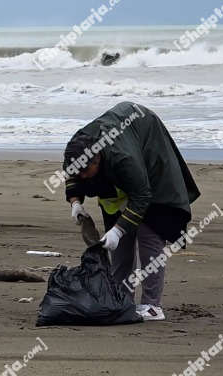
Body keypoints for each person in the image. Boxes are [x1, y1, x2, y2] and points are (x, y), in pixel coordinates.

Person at [64, 102, 200, 321]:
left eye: (86, 170)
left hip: (151, 165)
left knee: (149, 234)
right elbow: (73, 173)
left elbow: (142, 196)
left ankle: (152, 305)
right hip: (122, 171)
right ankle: (122, 300)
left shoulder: (124, 158)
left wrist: (118, 230)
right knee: (117, 246)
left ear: (98, 158)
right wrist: (76, 202)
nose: (83, 176)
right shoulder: (77, 149)